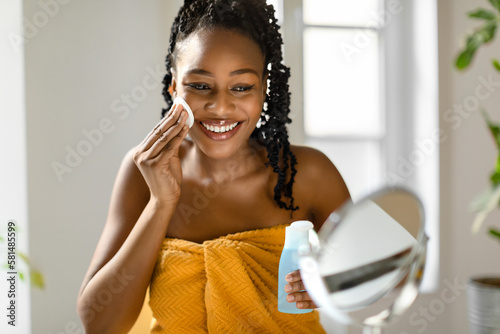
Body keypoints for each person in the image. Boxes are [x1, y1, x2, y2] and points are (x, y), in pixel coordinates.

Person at [77, 0, 350, 333]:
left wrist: (331, 283)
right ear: (174, 86)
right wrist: (161, 203)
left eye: (241, 87)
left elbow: (390, 268)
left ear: (263, 90)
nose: (220, 106)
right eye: (200, 86)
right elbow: (99, 324)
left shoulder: (308, 173)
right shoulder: (142, 171)